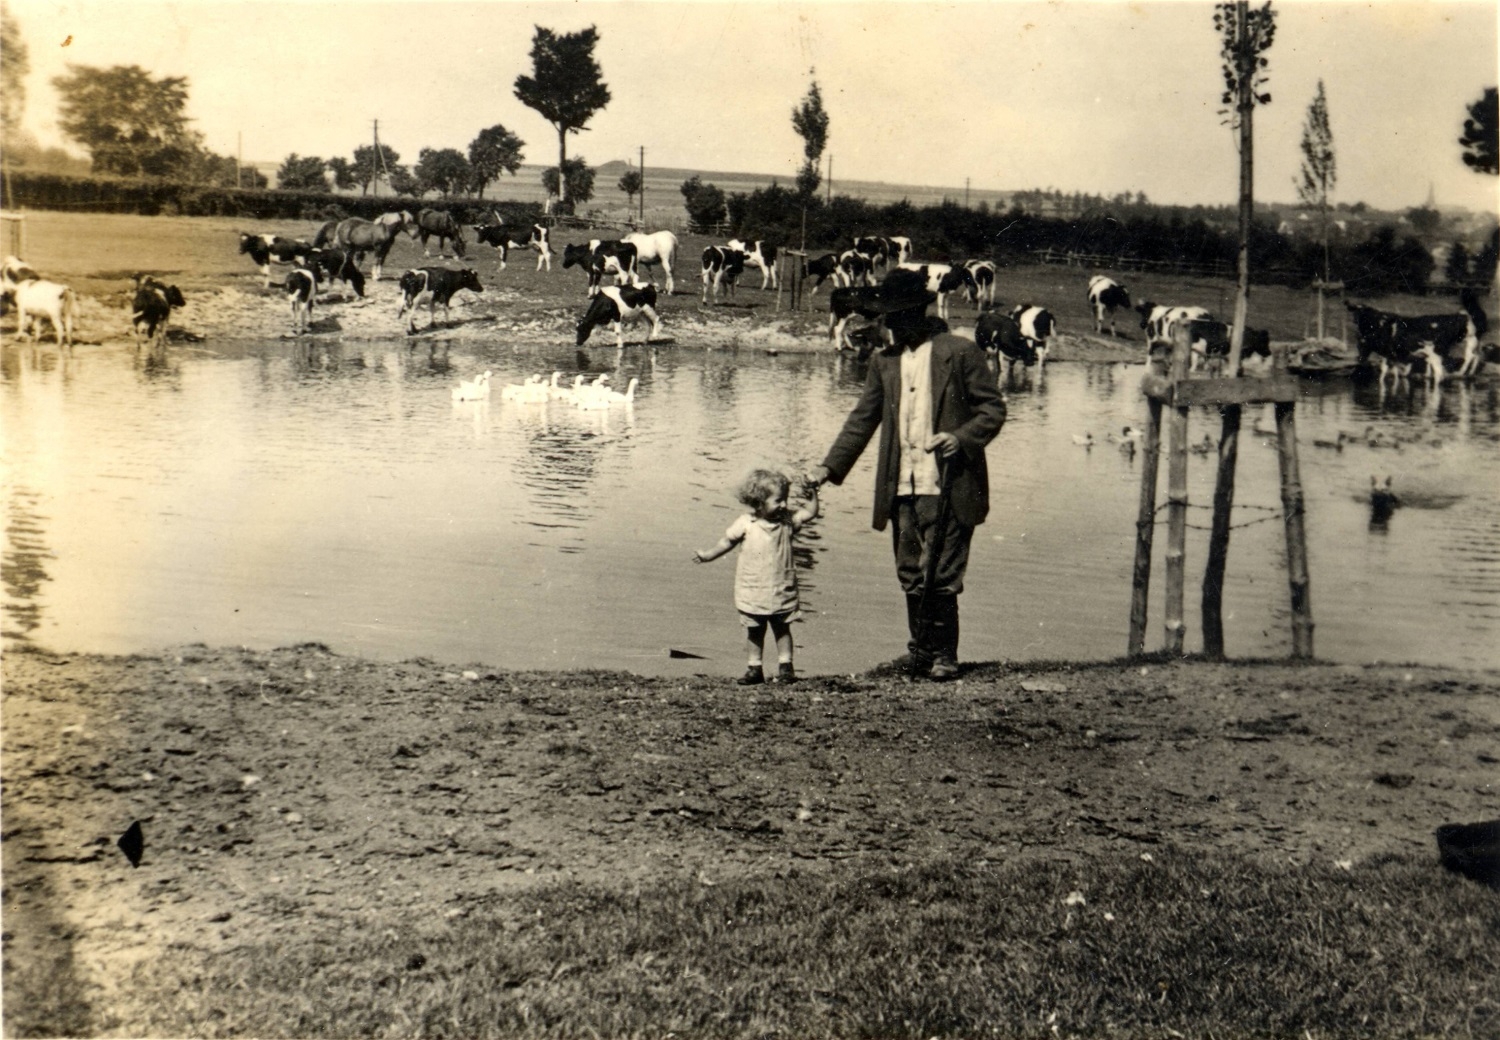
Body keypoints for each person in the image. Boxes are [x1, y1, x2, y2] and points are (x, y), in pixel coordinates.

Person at [806, 268, 1006, 680]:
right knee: (911, 570)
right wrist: (829, 467)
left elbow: (992, 409)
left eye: (897, 315)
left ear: (917, 311)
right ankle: (920, 651)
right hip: (901, 484)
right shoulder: (885, 362)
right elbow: (862, 419)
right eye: (887, 316)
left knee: (942, 571)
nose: (891, 323)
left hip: (948, 483)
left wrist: (960, 438)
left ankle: (945, 655)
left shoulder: (960, 352)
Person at [693, 469, 819, 685]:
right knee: (754, 629)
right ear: (759, 502)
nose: (784, 505)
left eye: (785, 499)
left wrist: (814, 493)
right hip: (753, 588)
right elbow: (726, 542)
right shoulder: (746, 523)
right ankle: (754, 669)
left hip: (781, 587)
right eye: (778, 500)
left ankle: (786, 668)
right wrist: (707, 556)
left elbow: (810, 513)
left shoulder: (787, 521)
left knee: (782, 628)